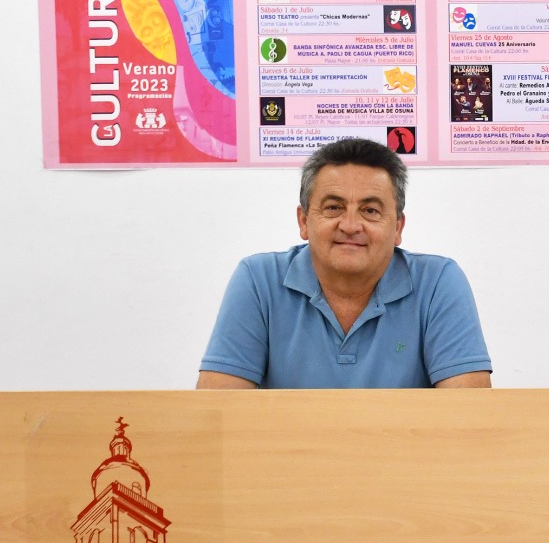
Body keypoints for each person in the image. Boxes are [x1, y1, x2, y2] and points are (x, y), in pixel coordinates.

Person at [198, 139, 491, 389]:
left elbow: (467, 417)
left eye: (370, 210)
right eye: (334, 207)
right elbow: (218, 415)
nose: (350, 226)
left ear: (398, 227)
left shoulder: (438, 282)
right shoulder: (258, 280)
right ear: (304, 221)